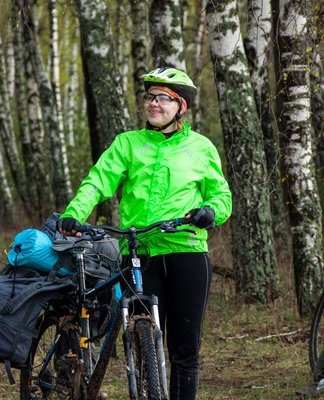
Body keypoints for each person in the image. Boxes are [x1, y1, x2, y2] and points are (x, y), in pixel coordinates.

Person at [58, 67, 232, 399]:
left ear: (180, 106)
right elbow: (98, 182)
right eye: (149, 96)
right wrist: (74, 213)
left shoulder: (201, 147)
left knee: (185, 350)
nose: (153, 103)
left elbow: (221, 195)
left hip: (188, 253)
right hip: (139, 255)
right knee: (140, 344)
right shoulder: (128, 144)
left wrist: (210, 212)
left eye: (163, 98)